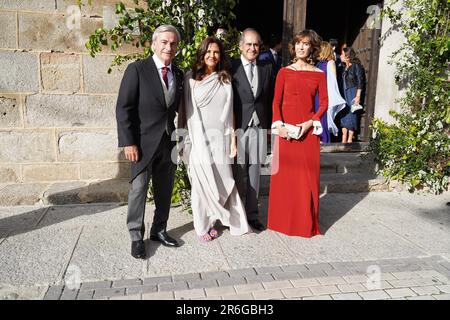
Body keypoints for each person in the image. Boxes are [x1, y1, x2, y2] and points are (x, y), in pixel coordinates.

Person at [116, 25, 184, 259]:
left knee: (164, 189)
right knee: (138, 189)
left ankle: (159, 230)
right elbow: (123, 108)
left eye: (173, 43)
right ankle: (136, 236)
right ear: (154, 44)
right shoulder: (137, 69)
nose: (169, 47)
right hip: (142, 143)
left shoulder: (179, 74)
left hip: (168, 141)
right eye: (164, 42)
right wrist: (128, 142)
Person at [180, 37, 250, 242]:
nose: (212, 55)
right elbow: (186, 112)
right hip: (198, 138)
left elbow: (230, 113)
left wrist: (233, 140)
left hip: (220, 139)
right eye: (208, 51)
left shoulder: (225, 79)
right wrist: (188, 139)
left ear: (221, 56)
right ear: (201, 54)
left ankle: (217, 219)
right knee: (201, 182)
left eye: (216, 52)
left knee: (222, 180)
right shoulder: (190, 78)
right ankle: (202, 226)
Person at [267, 29, 328, 237]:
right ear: (294, 47)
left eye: (306, 44)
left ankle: (304, 223)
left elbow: (325, 104)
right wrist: (279, 126)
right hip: (286, 131)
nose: (302, 47)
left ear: (312, 48)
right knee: (286, 178)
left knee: (306, 178)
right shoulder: (284, 72)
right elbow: (276, 101)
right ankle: (282, 221)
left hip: (308, 132)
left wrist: (310, 123)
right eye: (299, 43)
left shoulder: (319, 74)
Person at [231, 28, 274, 232]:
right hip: (238, 127)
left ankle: (252, 214)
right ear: (241, 46)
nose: (252, 48)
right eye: (248, 44)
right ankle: (237, 213)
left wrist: (269, 126)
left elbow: (269, 98)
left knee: (255, 171)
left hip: (258, 127)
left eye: (256, 44)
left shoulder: (266, 67)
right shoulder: (231, 66)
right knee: (238, 172)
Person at [314, 41, 347, 143]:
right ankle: (322, 139)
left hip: (321, 94)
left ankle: (321, 139)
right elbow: (334, 81)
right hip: (323, 94)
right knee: (322, 117)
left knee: (322, 117)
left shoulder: (321, 64)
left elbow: (332, 81)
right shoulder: (324, 63)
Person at [339, 47, 366, 144]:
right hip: (344, 92)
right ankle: (343, 138)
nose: (341, 56)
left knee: (351, 113)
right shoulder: (343, 67)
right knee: (343, 113)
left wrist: (358, 96)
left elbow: (360, 82)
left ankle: (350, 138)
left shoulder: (356, 66)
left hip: (352, 91)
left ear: (347, 56)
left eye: (342, 54)